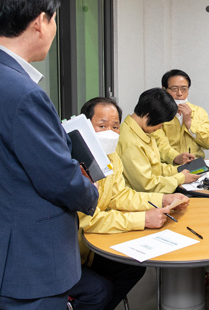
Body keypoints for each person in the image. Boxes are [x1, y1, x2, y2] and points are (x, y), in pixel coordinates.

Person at [0, 0, 99, 309]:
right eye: (54, 19)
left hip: (0, 247)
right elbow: (59, 179)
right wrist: (91, 190)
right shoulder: (22, 93)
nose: (54, 29)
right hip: (34, 259)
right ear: (39, 23)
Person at [68, 97, 189, 310]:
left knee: (133, 269)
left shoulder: (110, 155)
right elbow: (89, 219)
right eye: (102, 126)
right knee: (99, 291)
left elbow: (120, 196)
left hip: (90, 248)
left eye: (115, 126)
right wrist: (143, 219)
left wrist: (162, 199)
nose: (110, 132)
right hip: (70, 252)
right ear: (85, 127)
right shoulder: (73, 162)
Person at [118, 88, 199, 193]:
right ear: (148, 115)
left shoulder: (141, 131)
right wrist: (180, 178)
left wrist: (179, 170)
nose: (160, 127)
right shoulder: (131, 143)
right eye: (160, 122)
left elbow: (155, 168)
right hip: (143, 197)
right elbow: (146, 185)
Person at [153, 69, 209, 165]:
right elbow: (158, 144)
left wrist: (190, 124)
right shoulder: (157, 113)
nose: (179, 94)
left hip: (195, 164)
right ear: (164, 90)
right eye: (174, 89)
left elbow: (208, 143)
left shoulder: (199, 112)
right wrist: (175, 157)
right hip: (168, 166)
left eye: (184, 89)